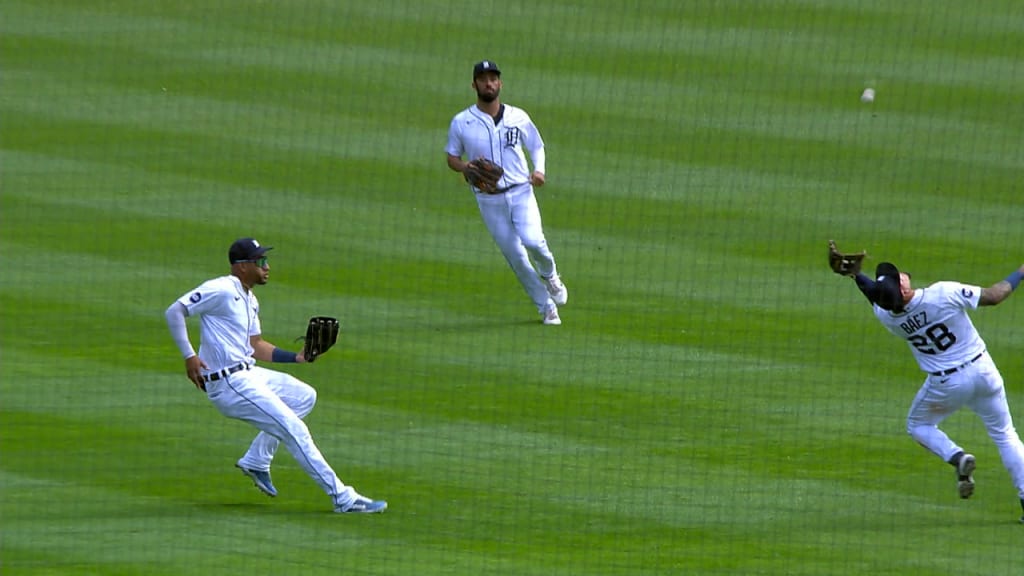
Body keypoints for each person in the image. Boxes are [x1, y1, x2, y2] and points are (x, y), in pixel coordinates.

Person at [164, 237, 386, 514]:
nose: (266, 267)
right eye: (260, 262)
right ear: (242, 266)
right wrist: (189, 356)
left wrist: (297, 357)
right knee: (294, 429)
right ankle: (343, 498)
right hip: (229, 384)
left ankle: (256, 461)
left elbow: (255, 346)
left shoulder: (250, 298)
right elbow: (175, 311)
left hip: (248, 372)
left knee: (304, 396)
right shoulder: (220, 289)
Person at [847, 259, 1024, 522]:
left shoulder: (888, 317)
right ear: (903, 291)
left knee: (919, 426)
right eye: (898, 280)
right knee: (1005, 434)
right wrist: (1020, 272)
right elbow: (995, 296)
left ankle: (957, 456)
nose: (901, 276)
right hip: (985, 372)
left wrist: (854, 275)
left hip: (947, 386)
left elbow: (876, 295)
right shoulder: (942, 293)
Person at [445, 60, 568, 325]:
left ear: (500, 83)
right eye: (483, 79)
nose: (488, 83)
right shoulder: (462, 122)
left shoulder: (518, 117)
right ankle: (546, 308)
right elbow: (451, 156)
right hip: (489, 202)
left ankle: (551, 276)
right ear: (474, 84)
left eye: (493, 78)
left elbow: (537, 145)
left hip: (522, 192)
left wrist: (540, 171)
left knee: (535, 242)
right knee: (516, 256)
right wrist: (465, 167)